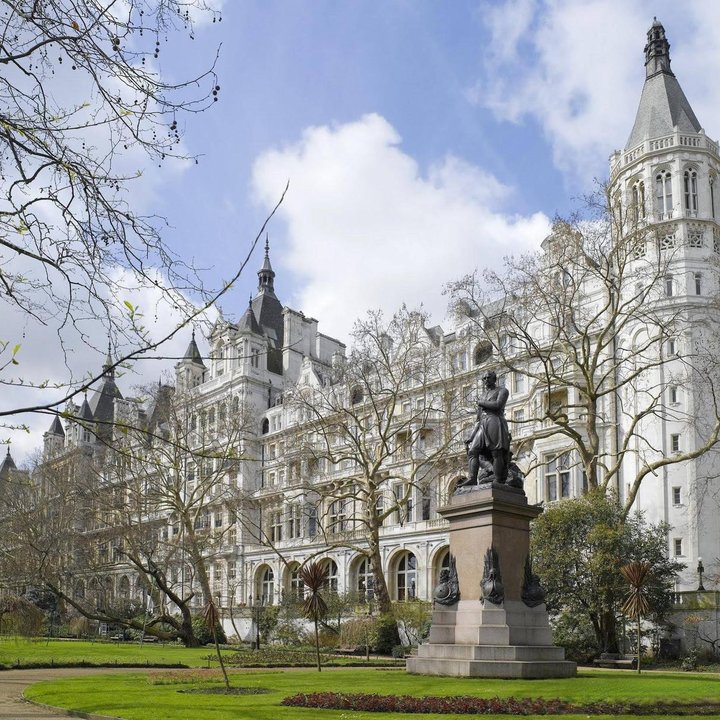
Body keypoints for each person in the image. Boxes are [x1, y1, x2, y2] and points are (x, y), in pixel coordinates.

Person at [465, 370, 510, 485]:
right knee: (472, 451)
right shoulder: (483, 396)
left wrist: (481, 403)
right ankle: (472, 478)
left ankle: (498, 480)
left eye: (488, 378)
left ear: (494, 379)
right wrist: (471, 436)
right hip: (483, 424)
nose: (486, 380)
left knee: (496, 452)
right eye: (484, 378)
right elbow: (478, 419)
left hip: (495, 421)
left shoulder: (502, 391)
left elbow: (498, 405)